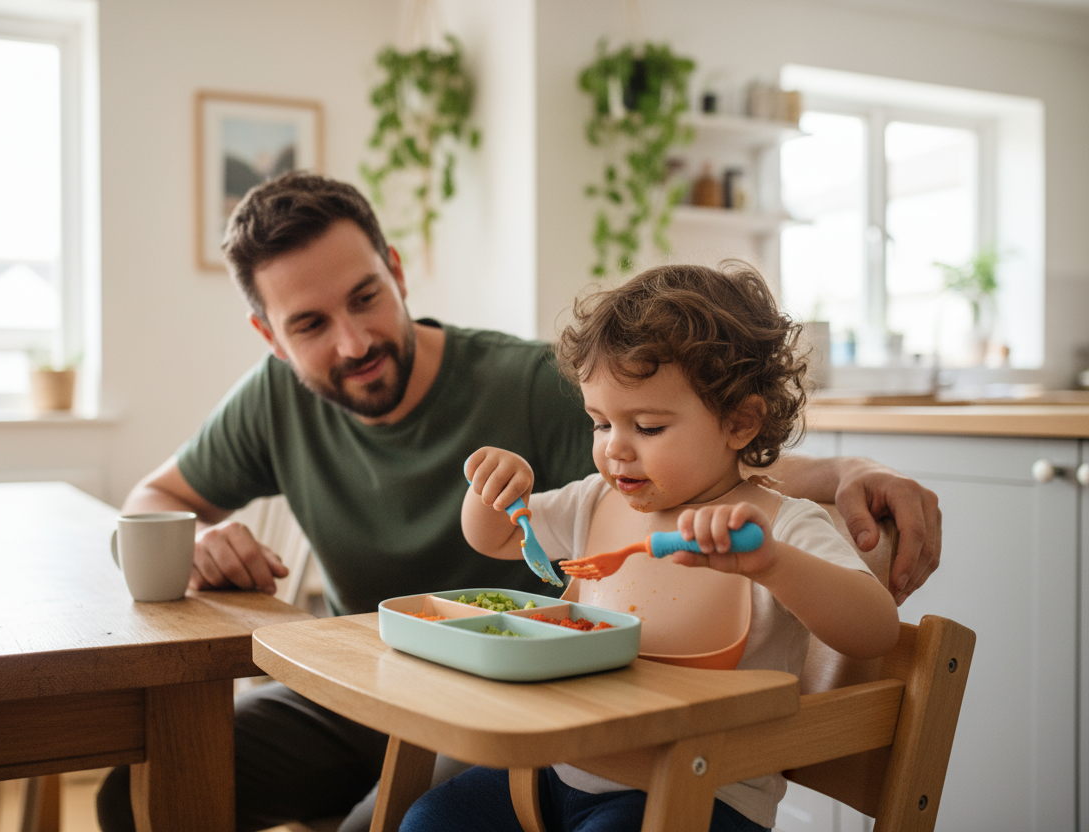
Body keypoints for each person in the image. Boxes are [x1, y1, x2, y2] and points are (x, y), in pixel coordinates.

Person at [96, 172, 938, 832]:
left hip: (527, 718)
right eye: (309, 325)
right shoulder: (272, 400)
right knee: (145, 790)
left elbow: (706, 482)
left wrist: (839, 475)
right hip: (380, 693)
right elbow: (156, 497)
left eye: (363, 298)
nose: (351, 343)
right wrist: (201, 538)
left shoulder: (535, 383)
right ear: (271, 338)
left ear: (394, 271)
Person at [402, 263, 900, 832]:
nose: (616, 450)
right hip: (555, 771)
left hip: (701, 793)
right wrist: (494, 488)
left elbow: (876, 629)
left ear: (740, 423)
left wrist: (773, 565)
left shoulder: (779, 527)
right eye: (600, 424)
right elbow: (494, 537)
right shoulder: (594, 503)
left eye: (648, 427)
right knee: (431, 819)